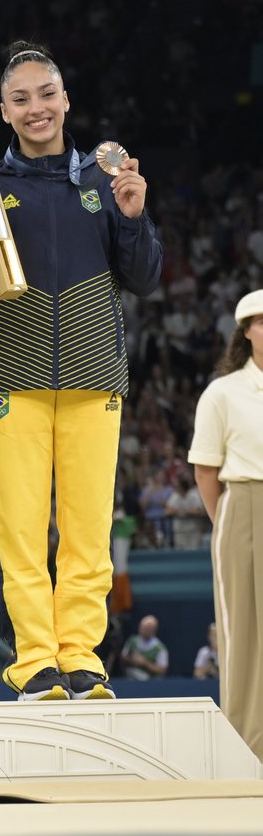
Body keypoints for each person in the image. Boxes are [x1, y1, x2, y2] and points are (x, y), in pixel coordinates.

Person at [0, 41, 162, 701]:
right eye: (22, 98)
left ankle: (83, 656)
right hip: (15, 375)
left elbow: (145, 277)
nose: (37, 107)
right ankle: (36, 659)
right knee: (19, 527)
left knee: (88, 529)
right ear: (4, 112)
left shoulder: (103, 178)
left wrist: (132, 216)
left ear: (66, 100)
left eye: (47, 94)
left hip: (95, 373)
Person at [189, 288, 263, 758]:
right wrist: (228, 525)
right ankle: (248, 748)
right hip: (245, 504)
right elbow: (204, 470)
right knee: (243, 631)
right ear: (247, 333)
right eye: (260, 321)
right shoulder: (223, 392)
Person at [121, 615, 168, 680]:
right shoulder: (132, 640)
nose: (143, 630)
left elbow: (162, 670)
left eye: (147, 628)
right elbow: (123, 657)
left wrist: (145, 663)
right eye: (142, 627)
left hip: (149, 682)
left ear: (153, 630)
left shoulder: (160, 648)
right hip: (130, 678)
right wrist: (132, 660)